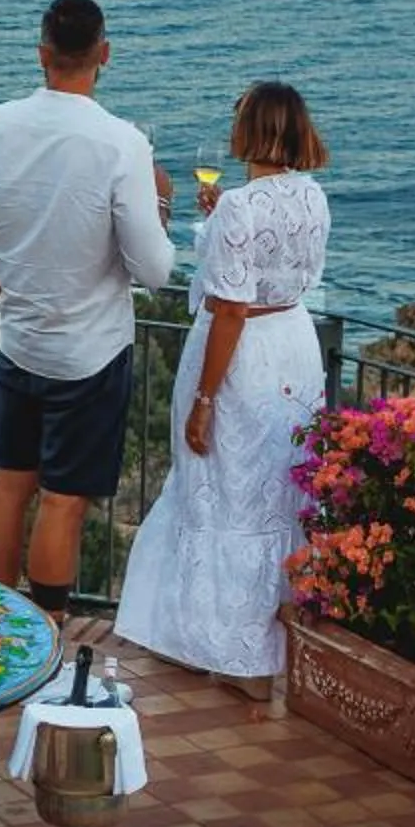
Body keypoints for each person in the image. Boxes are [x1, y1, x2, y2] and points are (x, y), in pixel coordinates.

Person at [0, 0, 177, 621]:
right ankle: (45, 630)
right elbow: (155, 270)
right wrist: (162, 209)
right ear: (105, 54)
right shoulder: (122, 144)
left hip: (21, 342)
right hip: (89, 353)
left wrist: (7, 291)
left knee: (10, 482)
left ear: (42, 54)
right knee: (63, 500)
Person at [114, 80, 333, 696]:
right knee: (273, 494)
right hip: (293, 347)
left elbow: (231, 308)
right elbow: (281, 272)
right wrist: (219, 224)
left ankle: (229, 652)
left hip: (241, 358)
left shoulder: (242, 205)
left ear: (254, 130)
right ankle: (262, 649)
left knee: (218, 492)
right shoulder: (313, 197)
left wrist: (206, 398)